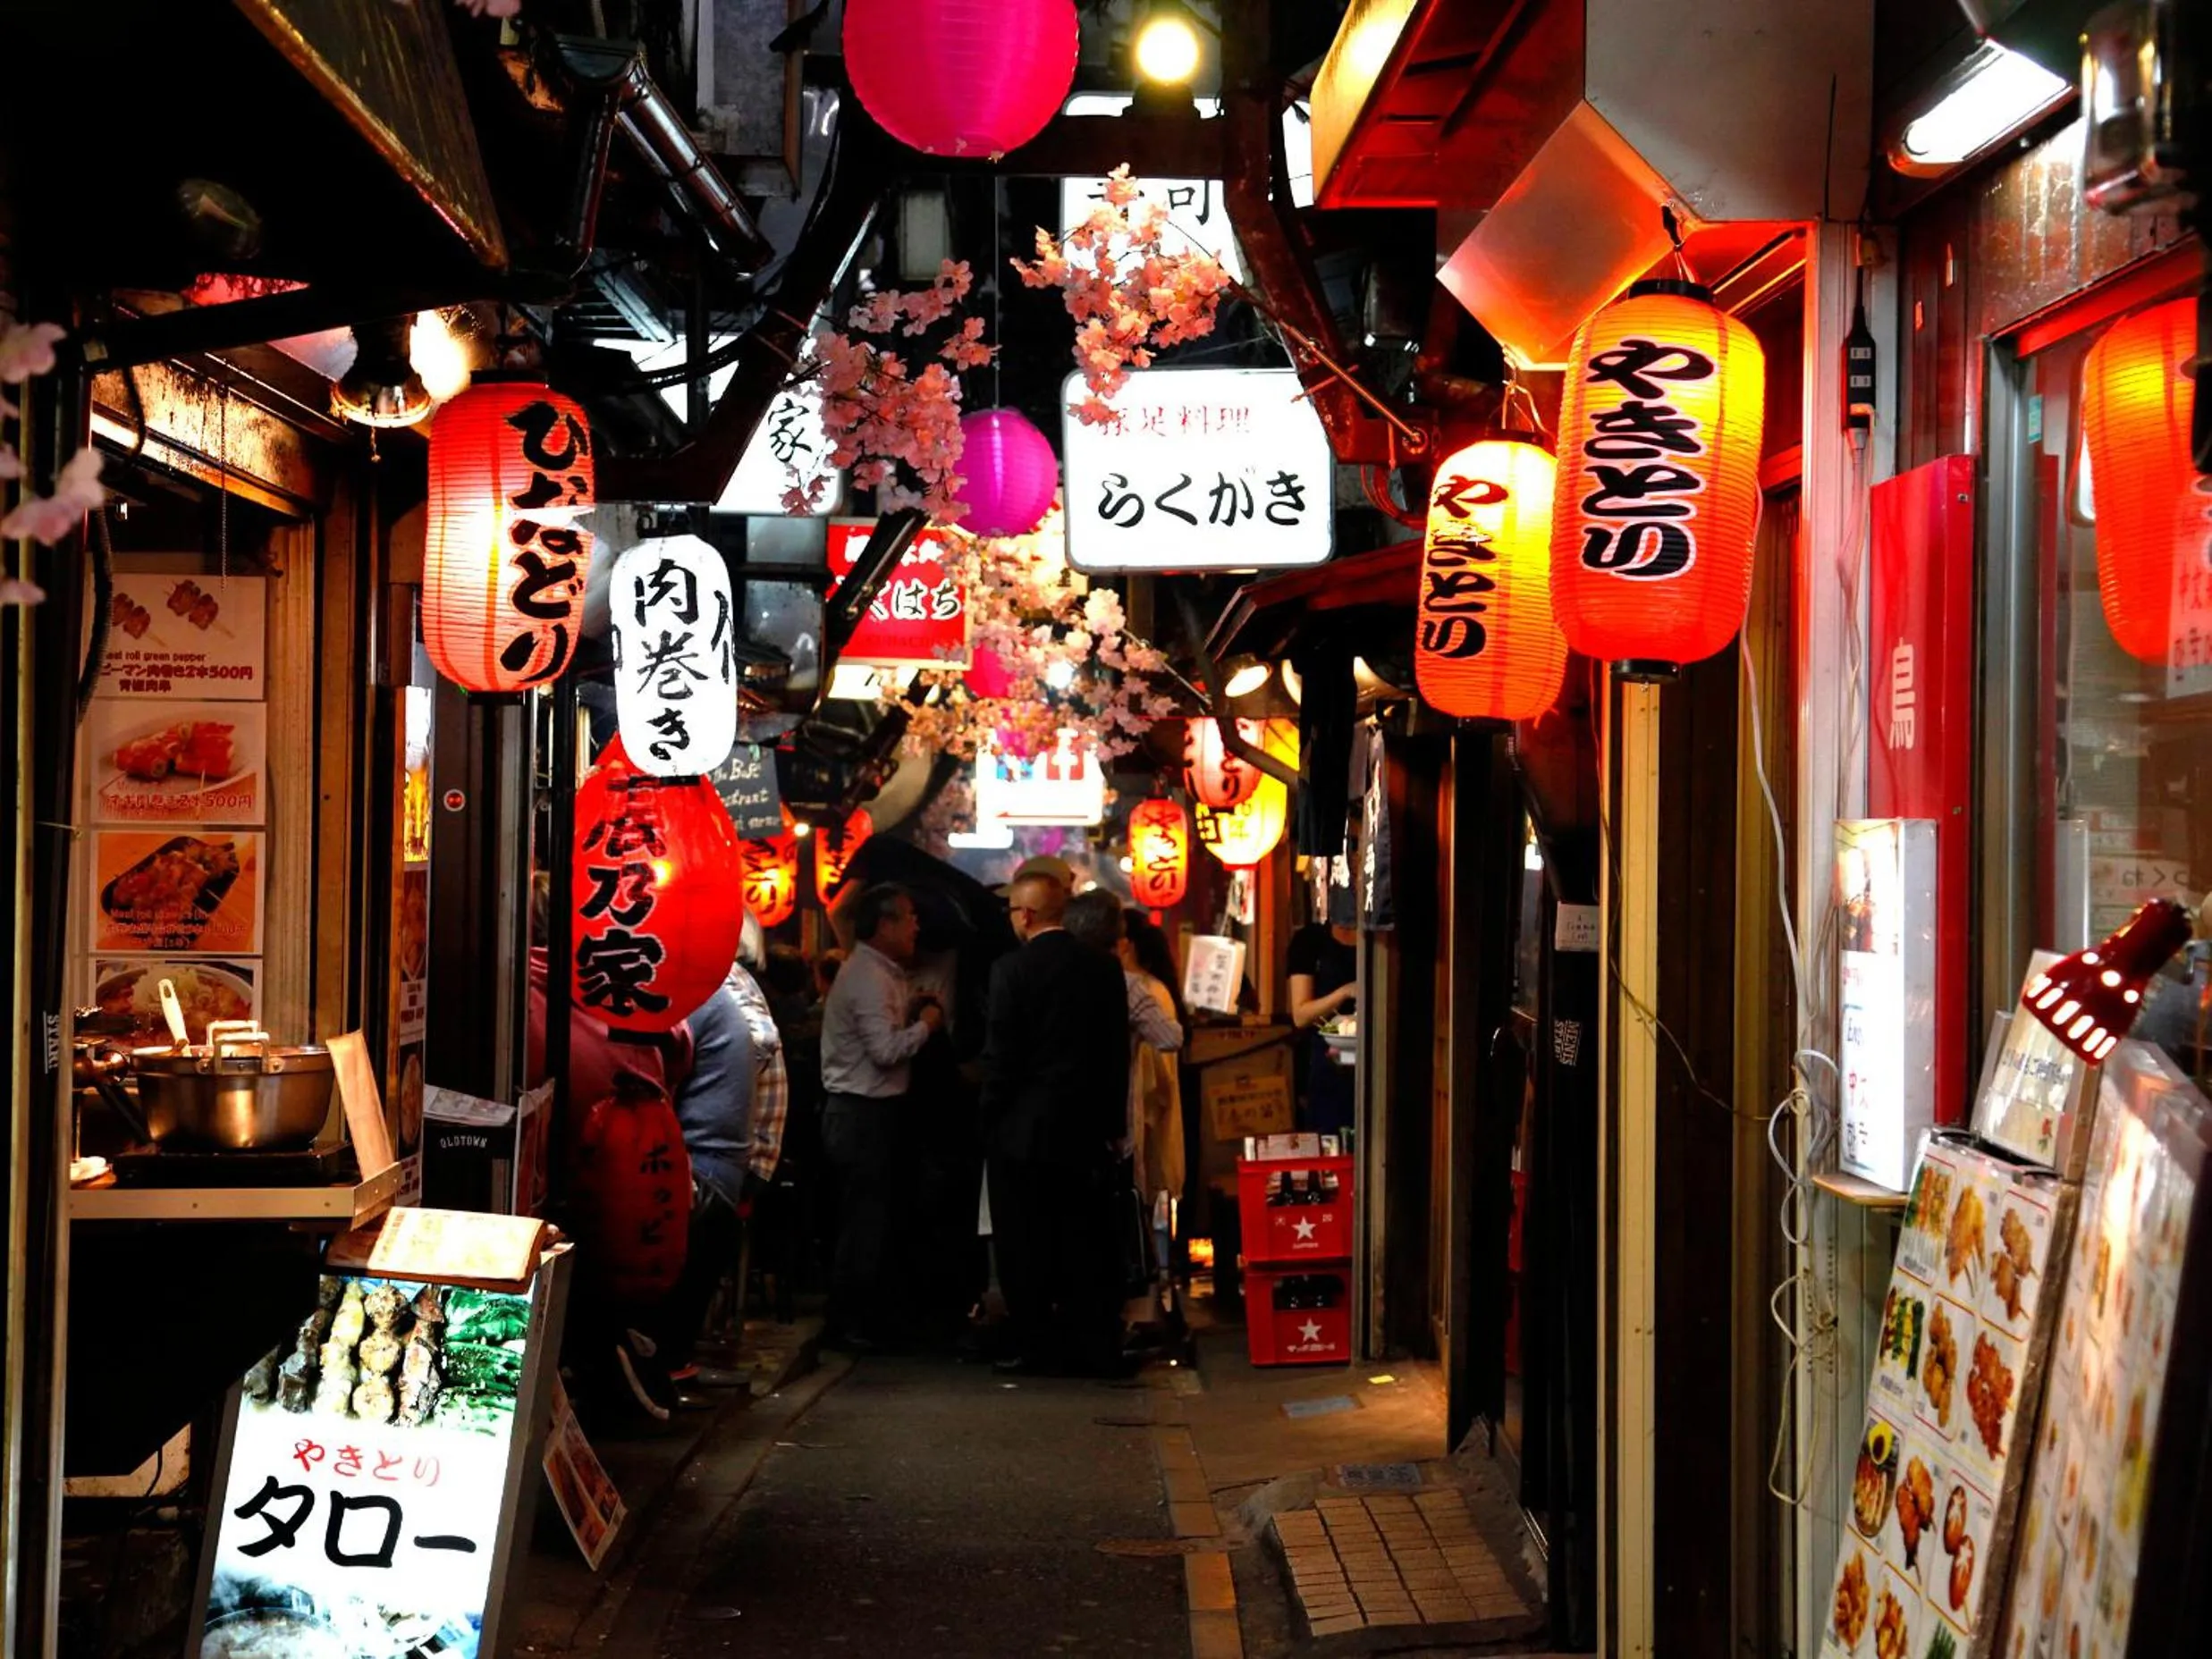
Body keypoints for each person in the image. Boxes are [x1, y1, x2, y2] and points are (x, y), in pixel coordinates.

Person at [982, 871, 1131, 1375]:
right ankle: (1092, 1344)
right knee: (1084, 1239)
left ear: (1024, 916)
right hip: (1087, 1127)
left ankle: (1036, 1345)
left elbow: (1002, 1056)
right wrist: (1114, 1125)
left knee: (1024, 1242)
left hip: (1023, 1131)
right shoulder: (1103, 969)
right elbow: (1116, 1055)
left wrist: (990, 1117)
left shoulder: (1010, 970)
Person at [818, 882, 942, 1347]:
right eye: (908, 916)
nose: (916, 925)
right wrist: (926, 1026)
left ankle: (862, 1318)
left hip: (870, 1113)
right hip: (860, 1114)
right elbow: (886, 1051)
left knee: (870, 1219)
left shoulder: (882, 972)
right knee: (862, 1222)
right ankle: (849, 1323)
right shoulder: (868, 976)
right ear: (885, 923)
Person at [1288, 916, 1359, 1134]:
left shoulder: (1379, 934)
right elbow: (1300, 1015)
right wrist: (1345, 992)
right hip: (1328, 1059)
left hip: (1374, 1055)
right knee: (1330, 1138)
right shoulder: (1309, 940)